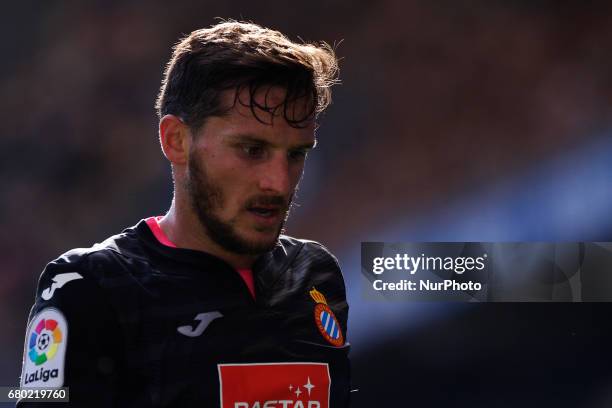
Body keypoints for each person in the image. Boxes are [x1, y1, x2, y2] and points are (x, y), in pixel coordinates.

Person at [17, 21, 350, 407]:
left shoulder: (316, 275)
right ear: (176, 140)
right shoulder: (90, 289)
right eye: (251, 150)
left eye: (296, 154)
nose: (278, 182)